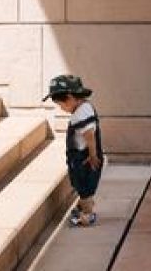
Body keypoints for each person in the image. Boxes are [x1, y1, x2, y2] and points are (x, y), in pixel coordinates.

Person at [42, 74, 103, 227]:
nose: (61, 108)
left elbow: (89, 136)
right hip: (84, 155)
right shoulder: (86, 107)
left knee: (83, 187)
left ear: (69, 98)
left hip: (83, 158)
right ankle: (83, 205)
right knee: (84, 186)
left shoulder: (79, 115)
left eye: (60, 104)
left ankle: (87, 215)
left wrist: (92, 155)